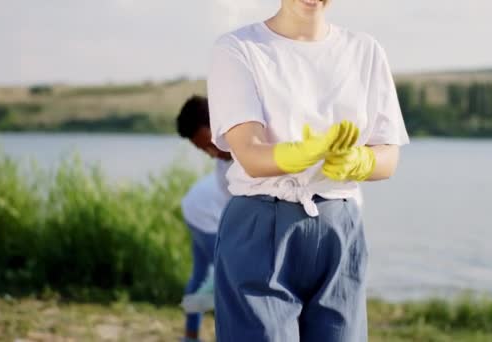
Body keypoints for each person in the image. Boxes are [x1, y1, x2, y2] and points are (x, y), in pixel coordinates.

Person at [207, 0, 410, 340]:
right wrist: (301, 153)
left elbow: (388, 155)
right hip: (260, 225)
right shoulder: (238, 48)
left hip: (339, 225)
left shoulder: (365, 51)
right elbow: (250, 155)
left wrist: (361, 161)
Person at [175, 95, 232, 342]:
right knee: (227, 282)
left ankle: (190, 335)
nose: (210, 153)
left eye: (209, 144)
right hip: (204, 215)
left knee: (204, 277)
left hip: (198, 208)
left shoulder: (250, 149)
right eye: (202, 150)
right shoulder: (224, 168)